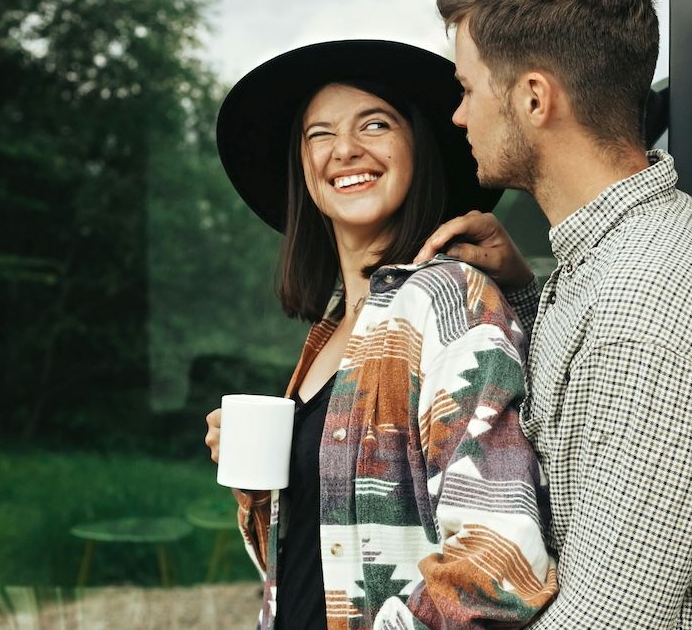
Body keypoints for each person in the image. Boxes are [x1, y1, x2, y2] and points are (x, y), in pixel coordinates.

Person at [413, 0, 692, 627]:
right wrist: (526, 292)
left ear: (535, 99)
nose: (458, 115)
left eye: (468, 88)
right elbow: (590, 399)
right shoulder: (622, 246)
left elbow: (609, 617)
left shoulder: (648, 301)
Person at [204, 39, 557, 630]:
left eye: (374, 124)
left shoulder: (447, 300)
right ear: (302, 170)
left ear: (419, 147)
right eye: (319, 134)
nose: (345, 149)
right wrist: (259, 483)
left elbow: (502, 566)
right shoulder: (334, 327)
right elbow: (315, 566)